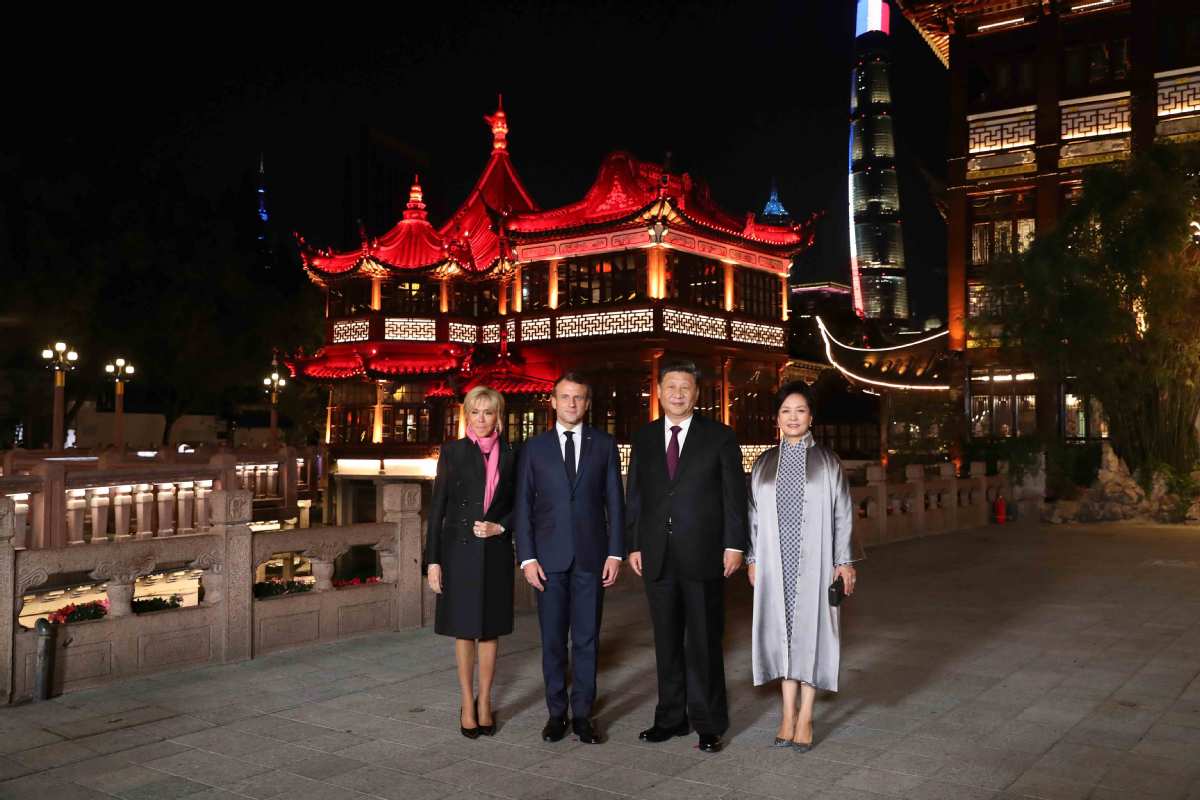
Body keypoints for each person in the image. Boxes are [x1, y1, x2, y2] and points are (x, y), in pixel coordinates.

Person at [625, 359, 748, 753]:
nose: (678, 393)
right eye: (670, 387)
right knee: (665, 642)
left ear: (697, 394)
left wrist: (734, 545)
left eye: (685, 387)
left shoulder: (720, 436)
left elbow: (734, 496)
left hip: (704, 553)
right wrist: (633, 544)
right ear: (658, 392)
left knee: (705, 642)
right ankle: (670, 718)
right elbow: (636, 497)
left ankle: (709, 723)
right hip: (657, 555)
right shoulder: (643, 438)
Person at [747, 381, 861, 751]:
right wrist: (752, 557)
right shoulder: (764, 463)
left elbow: (843, 512)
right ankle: (786, 713)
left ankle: (807, 715)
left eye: (800, 411)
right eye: (785, 411)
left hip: (816, 561)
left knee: (813, 634)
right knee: (781, 634)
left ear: (811, 416)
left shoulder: (827, 461)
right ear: (777, 418)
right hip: (774, 561)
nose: (793, 417)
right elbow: (751, 516)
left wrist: (843, 561)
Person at [514, 372, 624, 744]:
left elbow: (615, 503)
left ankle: (582, 715)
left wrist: (616, 552)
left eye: (579, 397)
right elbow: (523, 506)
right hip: (547, 560)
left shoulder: (605, 445)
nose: (572, 404)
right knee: (552, 641)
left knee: (587, 639)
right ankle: (555, 714)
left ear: (587, 403)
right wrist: (527, 558)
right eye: (565, 397)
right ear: (553, 401)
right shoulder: (534, 448)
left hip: (593, 557)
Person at [426, 385, 517, 739]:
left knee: (490, 630)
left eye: (488, 412)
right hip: (458, 551)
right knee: (463, 629)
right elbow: (437, 510)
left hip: (494, 550)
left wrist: (502, 526)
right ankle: (467, 701)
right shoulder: (453, 452)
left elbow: (521, 504)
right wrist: (433, 561)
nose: (481, 420)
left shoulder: (512, 453)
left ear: (499, 416)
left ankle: (486, 701)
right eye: (475, 413)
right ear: (467, 415)